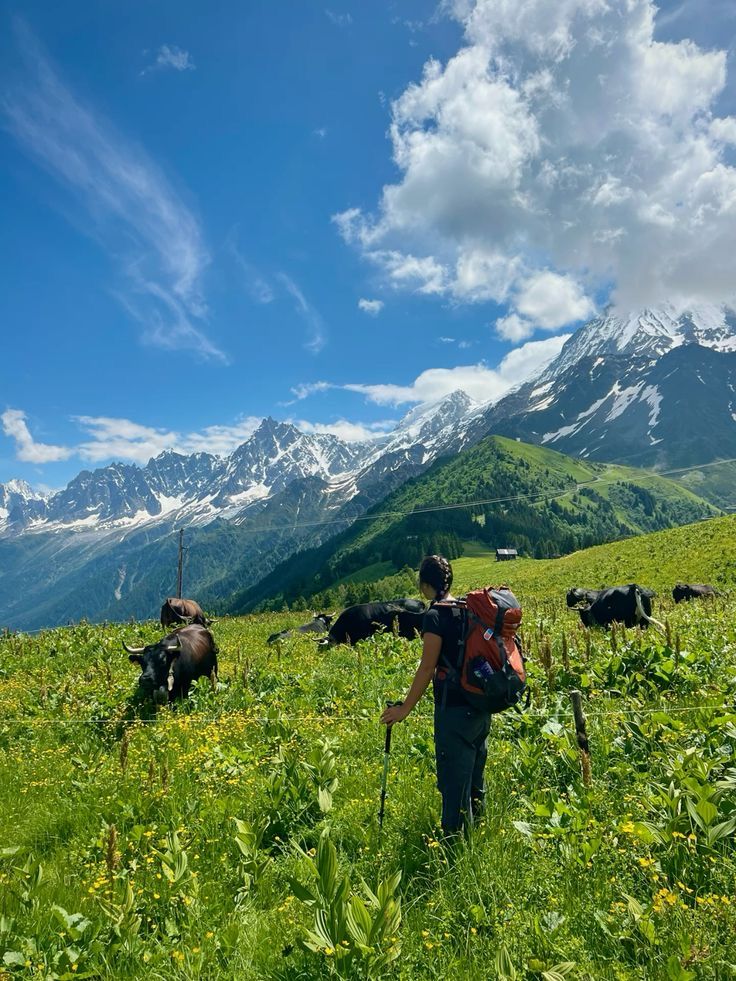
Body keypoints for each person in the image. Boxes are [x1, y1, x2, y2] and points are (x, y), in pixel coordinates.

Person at [380, 554, 492, 839]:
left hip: (453, 711)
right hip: (480, 705)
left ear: (424, 585)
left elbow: (427, 667)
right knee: (475, 772)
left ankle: (454, 842)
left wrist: (404, 709)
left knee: (454, 778)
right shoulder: (468, 609)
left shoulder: (434, 616)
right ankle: (478, 828)